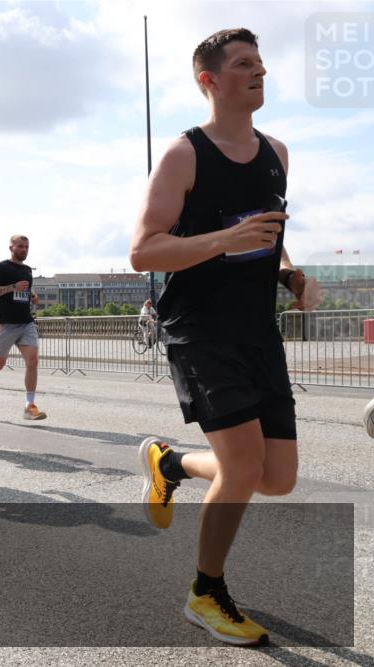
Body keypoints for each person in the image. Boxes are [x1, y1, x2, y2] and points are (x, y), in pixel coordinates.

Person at [129, 28, 300, 646]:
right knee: (245, 463)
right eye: (244, 64)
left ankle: (169, 462)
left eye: (261, 62)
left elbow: (268, 236)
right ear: (209, 79)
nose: (259, 72)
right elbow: (143, 252)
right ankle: (206, 593)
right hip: (199, 333)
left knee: (276, 476)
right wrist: (221, 242)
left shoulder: (277, 153)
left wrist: (286, 272)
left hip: (259, 333)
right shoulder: (185, 154)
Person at [0, 235, 46, 420]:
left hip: (26, 322)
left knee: (33, 361)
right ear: (11, 247)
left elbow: (26, 288)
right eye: (21, 246)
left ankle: (29, 406)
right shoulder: (1, 267)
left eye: (27, 247)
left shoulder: (27, 270)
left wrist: (32, 295)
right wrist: (13, 287)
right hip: (5, 323)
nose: (24, 249)